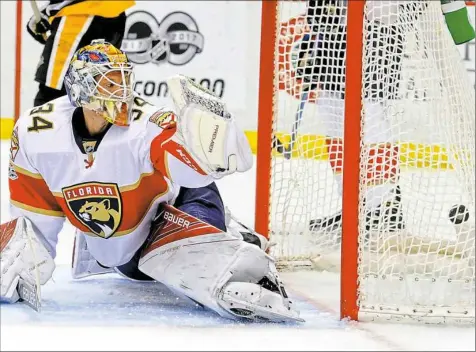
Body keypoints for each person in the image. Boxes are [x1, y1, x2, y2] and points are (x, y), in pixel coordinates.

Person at [0, 40, 302, 323]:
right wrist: (27, 256)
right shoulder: (36, 132)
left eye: (124, 80)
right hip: (128, 251)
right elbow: (34, 220)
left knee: (190, 264)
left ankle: (222, 242)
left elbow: (192, 174)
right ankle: (232, 230)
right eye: (110, 82)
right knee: (139, 265)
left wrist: (207, 151)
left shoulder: (146, 122)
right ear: (82, 89)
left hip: (180, 202)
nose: (123, 91)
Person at [297, 0, 409, 236]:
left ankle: (383, 205)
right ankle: (355, 205)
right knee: (332, 111)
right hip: (333, 30)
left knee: (370, 115)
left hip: (376, 29)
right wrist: (312, 42)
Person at [27, 0, 135, 107]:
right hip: (112, 10)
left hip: (81, 13)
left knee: (53, 97)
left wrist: (47, 10)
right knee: (98, 94)